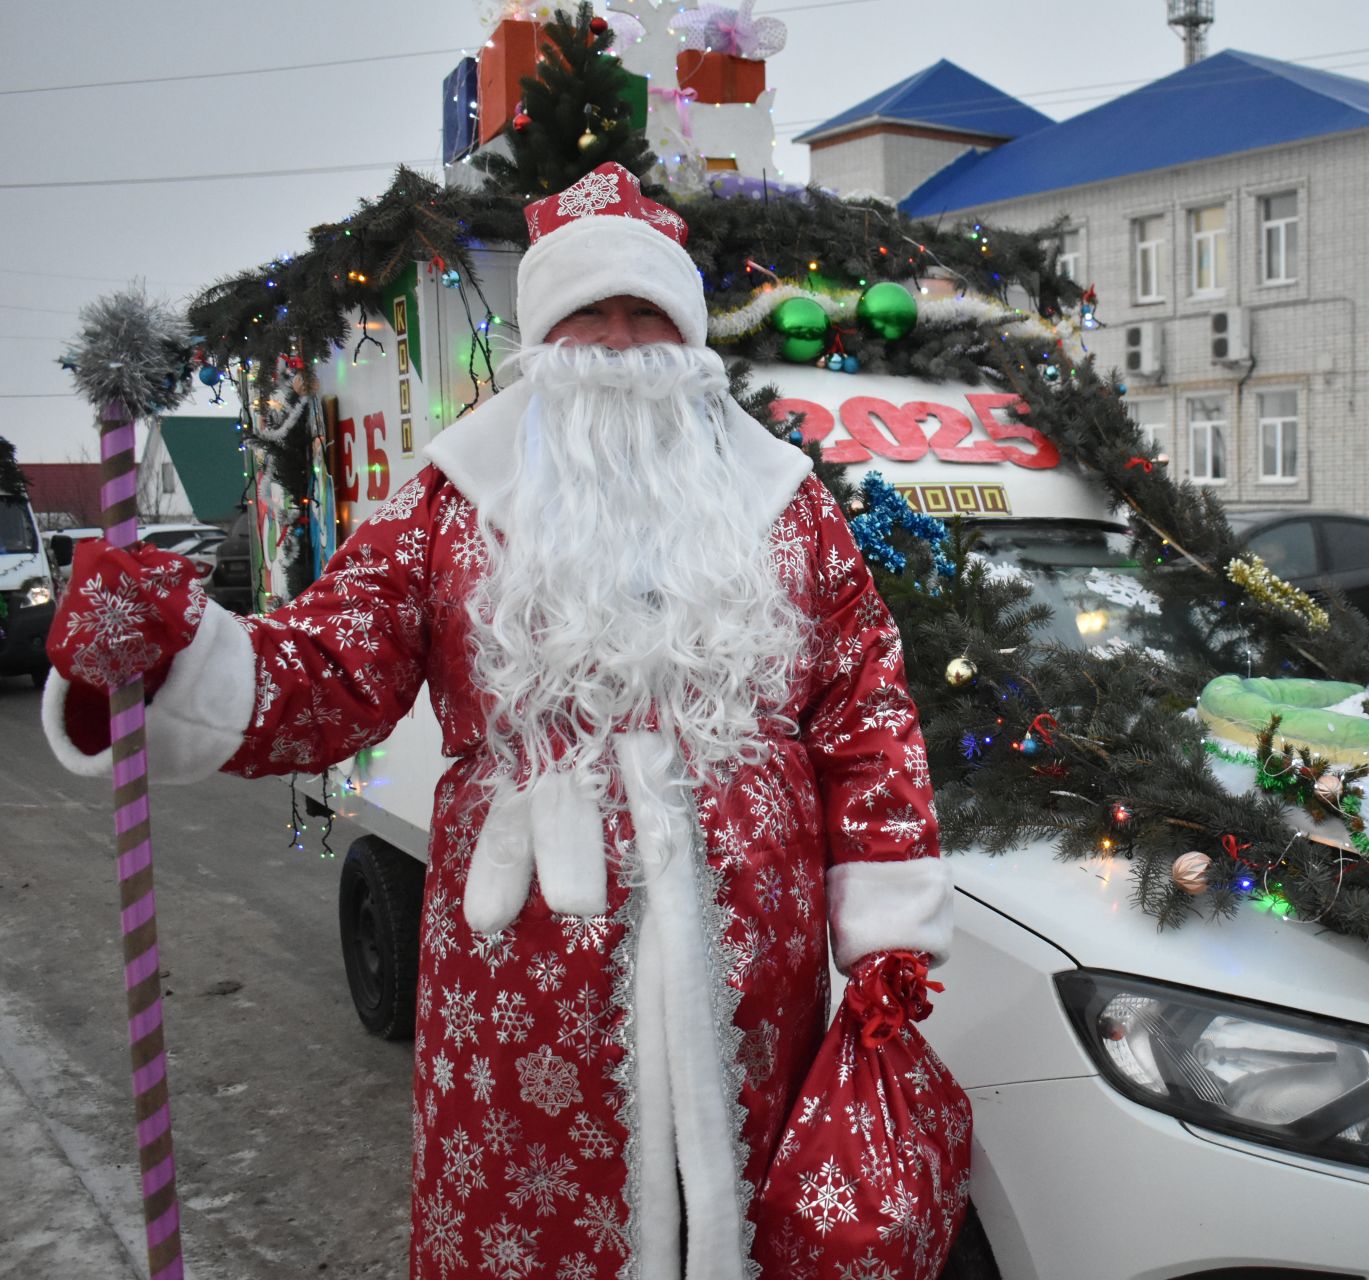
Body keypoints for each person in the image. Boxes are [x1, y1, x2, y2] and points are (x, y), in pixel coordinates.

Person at [39, 164, 955, 1279]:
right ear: (543, 333)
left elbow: (867, 710)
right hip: (521, 956)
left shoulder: (780, 498)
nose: (619, 343)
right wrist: (178, 645)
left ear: (686, 334)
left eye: (645, 313)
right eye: (590, 313)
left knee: (746, 1190)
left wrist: (888, 936)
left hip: (751, 952)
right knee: (533, 1213)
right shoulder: (450, 496)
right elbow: (333, 666)